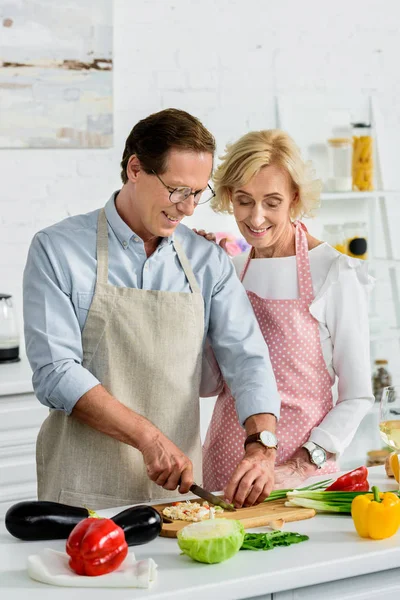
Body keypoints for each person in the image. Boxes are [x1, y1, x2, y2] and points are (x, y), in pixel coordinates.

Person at [23, 109, 280, 510]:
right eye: (178, 190)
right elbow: (55, 372)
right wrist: (149, 438)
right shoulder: (58, 250)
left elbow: (247, 359)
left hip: (178, 498)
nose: (190, 208)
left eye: (198, 192)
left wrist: (261, 444)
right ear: (135, 169)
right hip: (80, 490)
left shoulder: (208, 261)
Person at [201, 129, 374, 494]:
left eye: (272, 202)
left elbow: (357, 395)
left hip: (299, 474)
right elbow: (210, 384)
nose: (256, 217)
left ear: (294, 199)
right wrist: (196, 283)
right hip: (225, 467)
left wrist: (301, 462)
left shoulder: (334, 272)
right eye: (244, 200)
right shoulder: (231, 270)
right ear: (230, 197)